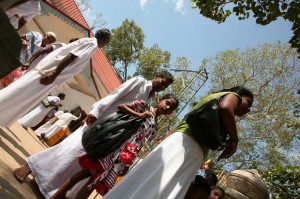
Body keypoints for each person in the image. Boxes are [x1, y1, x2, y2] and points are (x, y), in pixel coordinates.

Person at [13, 70, 174, 198]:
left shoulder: (150, 99)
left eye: (165, 86)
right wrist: (96, 111)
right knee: (69, 148)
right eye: (162, 81)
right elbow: (116, 94)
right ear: (156, 76)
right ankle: (30, 167)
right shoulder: (139, 82)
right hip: (100, 122)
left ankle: (45, 185)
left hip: (111, 135)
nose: (162, 86)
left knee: (78, 161)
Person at [103, 86, 254, 199]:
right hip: (187, 147)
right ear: (240, 95)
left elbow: (179, 125)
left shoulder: (208, 104)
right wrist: (235, 139)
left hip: (179, 144)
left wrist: (162, 145)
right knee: (162, 189)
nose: (247, 110)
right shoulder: (234, 96)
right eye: (249, 103)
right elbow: (226, 107)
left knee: (148, 182)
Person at [51, 94, 179, 199]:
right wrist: (139, 115)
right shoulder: (143, 106)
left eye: (171, 108)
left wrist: (128, 164)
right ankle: (54, 197)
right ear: (160, 99)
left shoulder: (155, 129)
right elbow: (121, 107)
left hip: (122, 158)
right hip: (113, 145)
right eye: (167, 102)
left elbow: (140, 144)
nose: (167, 107)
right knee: (84, 173)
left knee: (94, 182)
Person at [0, 28, 111, 127]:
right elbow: (72, 56)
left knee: (19, 96)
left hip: (47, 73)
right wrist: (54, 74)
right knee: (18, 94)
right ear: (104, 41)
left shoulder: (88, 41)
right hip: (48, 75)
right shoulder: (92, 44)